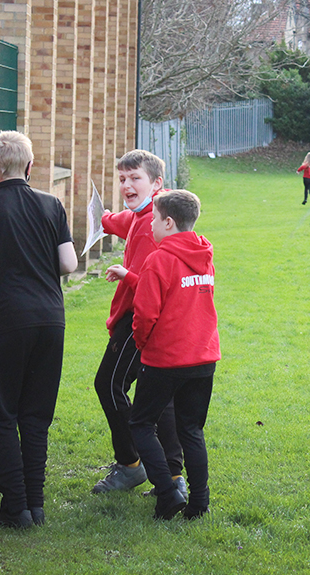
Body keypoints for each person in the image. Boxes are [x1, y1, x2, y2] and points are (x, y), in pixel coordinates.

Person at [0, 131, 78, 528]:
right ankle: (37, 502)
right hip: (50, 317)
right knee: (36, 415)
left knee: (2, 413)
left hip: (8, 318)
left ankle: (15, 507)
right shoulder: (52, 204)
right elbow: (69, 264)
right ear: (30, 166)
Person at [91, 150, 185, 497]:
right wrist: (103, 218)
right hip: (153, 318)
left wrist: (125, 275)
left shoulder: (152, 225)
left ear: (157, 183)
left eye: (134, 178)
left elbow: (150, 283)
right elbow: (122, 221)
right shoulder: (147, 214)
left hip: (141, 318)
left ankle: (131, 464)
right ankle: (173, 475)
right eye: (122, 179)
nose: (126, 185)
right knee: (158, 394)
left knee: (109, 385)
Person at [129, 189, 220, 521]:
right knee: (191, 430)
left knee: (141, 424)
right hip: (203, 356)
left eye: (154, 218)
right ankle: (199, 502)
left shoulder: (159, 259)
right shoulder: (204, 254)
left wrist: (142, 344)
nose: (151, 224)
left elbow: (144, 314)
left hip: (165, 358)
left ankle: (168, 493)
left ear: (168, 222)